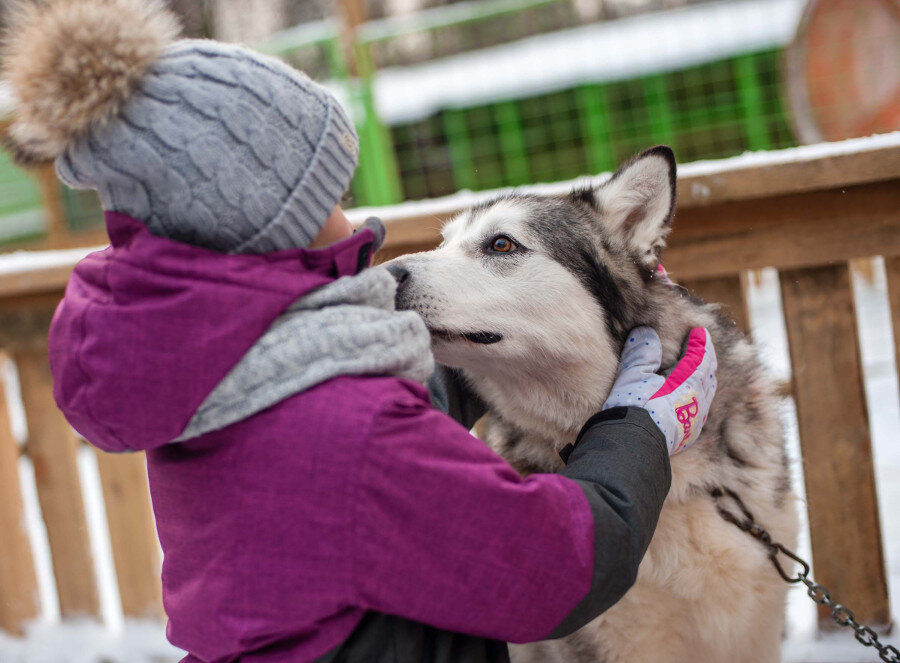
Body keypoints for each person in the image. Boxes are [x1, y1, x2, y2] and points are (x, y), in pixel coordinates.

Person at [2, 1, 716, 661]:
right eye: (330, 196)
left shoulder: (206, 366)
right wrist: (637, 429)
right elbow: (553, 565)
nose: (351, 219)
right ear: (270, 222)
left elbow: (329, 426)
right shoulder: (352, 437)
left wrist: (477, 345)